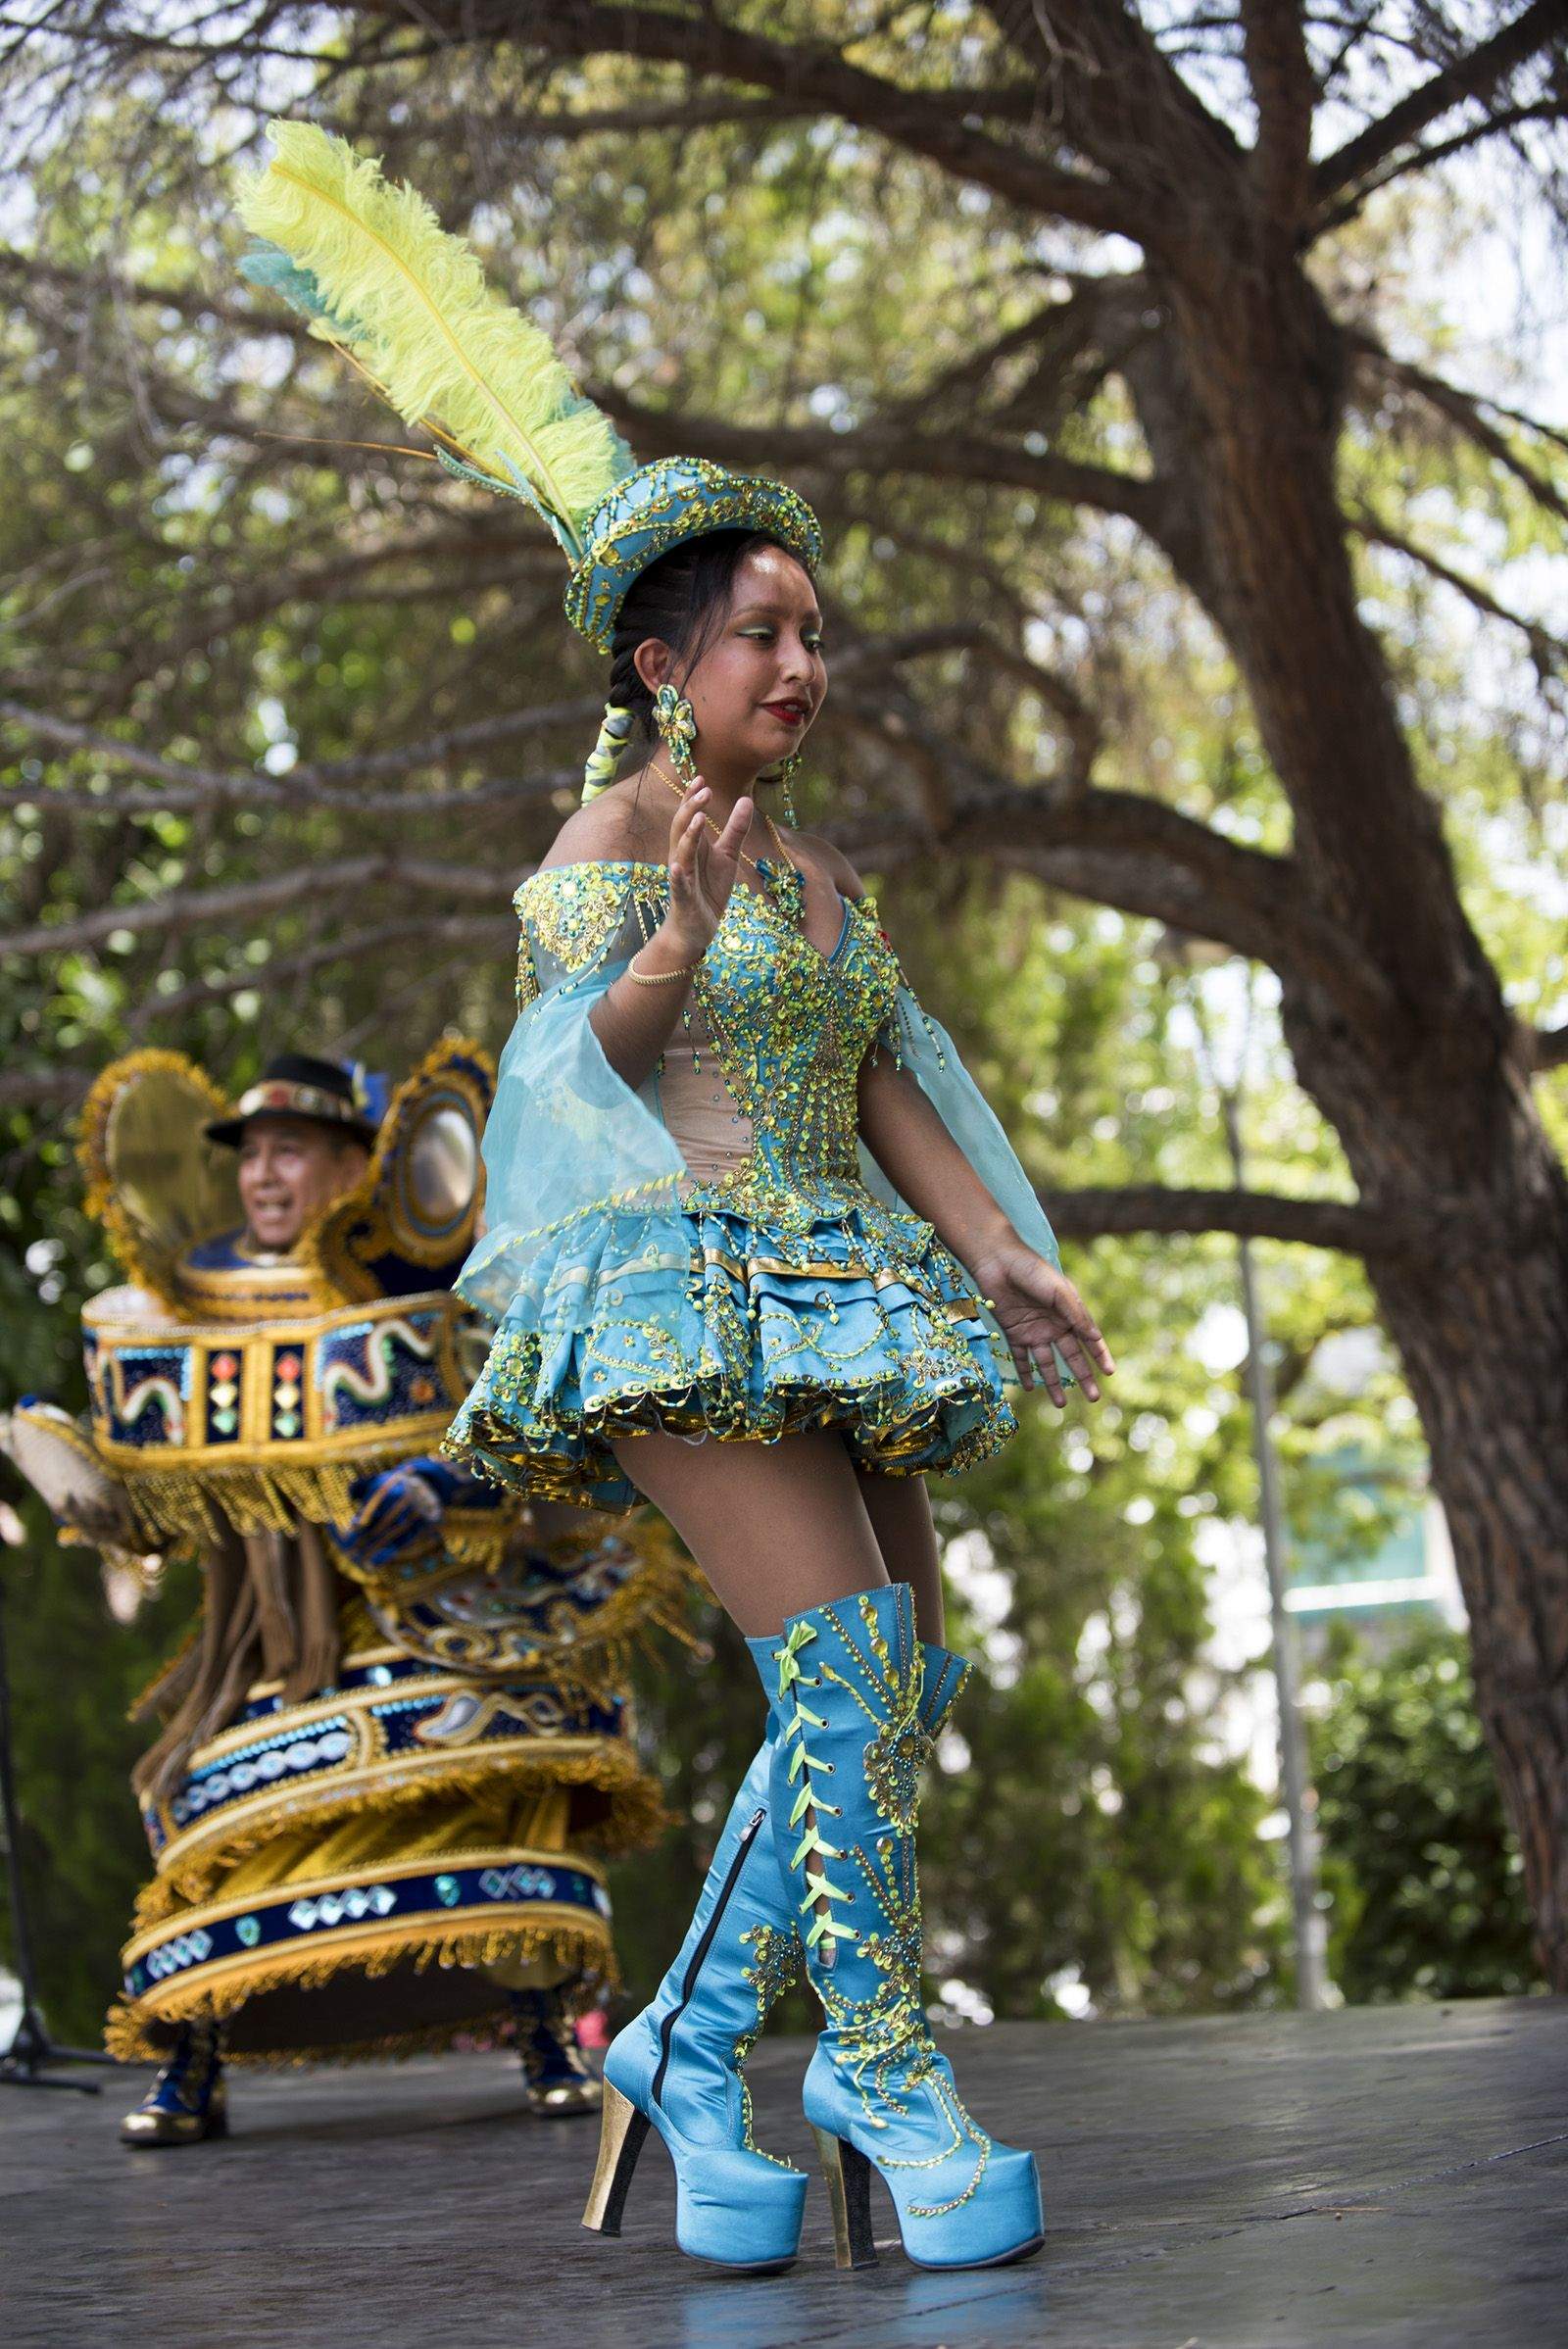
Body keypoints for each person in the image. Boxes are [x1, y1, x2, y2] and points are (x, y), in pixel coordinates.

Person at [236, 123, 1114, 2274]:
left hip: (834, 1283)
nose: (795, 671)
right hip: (668, 1292)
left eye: (811, 635)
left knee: (890, 1674)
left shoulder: (816, 871)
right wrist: (654, 941)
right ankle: (879, 2079)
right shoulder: (600, 850)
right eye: (755, 642)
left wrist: (999, 1251)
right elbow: (561, 1093)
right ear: (660, 666)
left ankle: (694, 2035)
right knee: (839, 1668)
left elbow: (899, 1072)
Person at [9, 1042, 687, 2144]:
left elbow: (519, 1439)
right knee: (204, 1798)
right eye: (252, 1157)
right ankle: (193, 2056)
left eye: (291, 1153)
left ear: (352, 1165)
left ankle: (542, 2020)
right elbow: (161, 1507)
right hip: (265, 1636)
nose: (264, 1177)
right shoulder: (180, 1312)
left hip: (433, 1606)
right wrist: (82, 1483)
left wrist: (440, 1491)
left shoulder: (429, 1289)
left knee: (485, 1754)